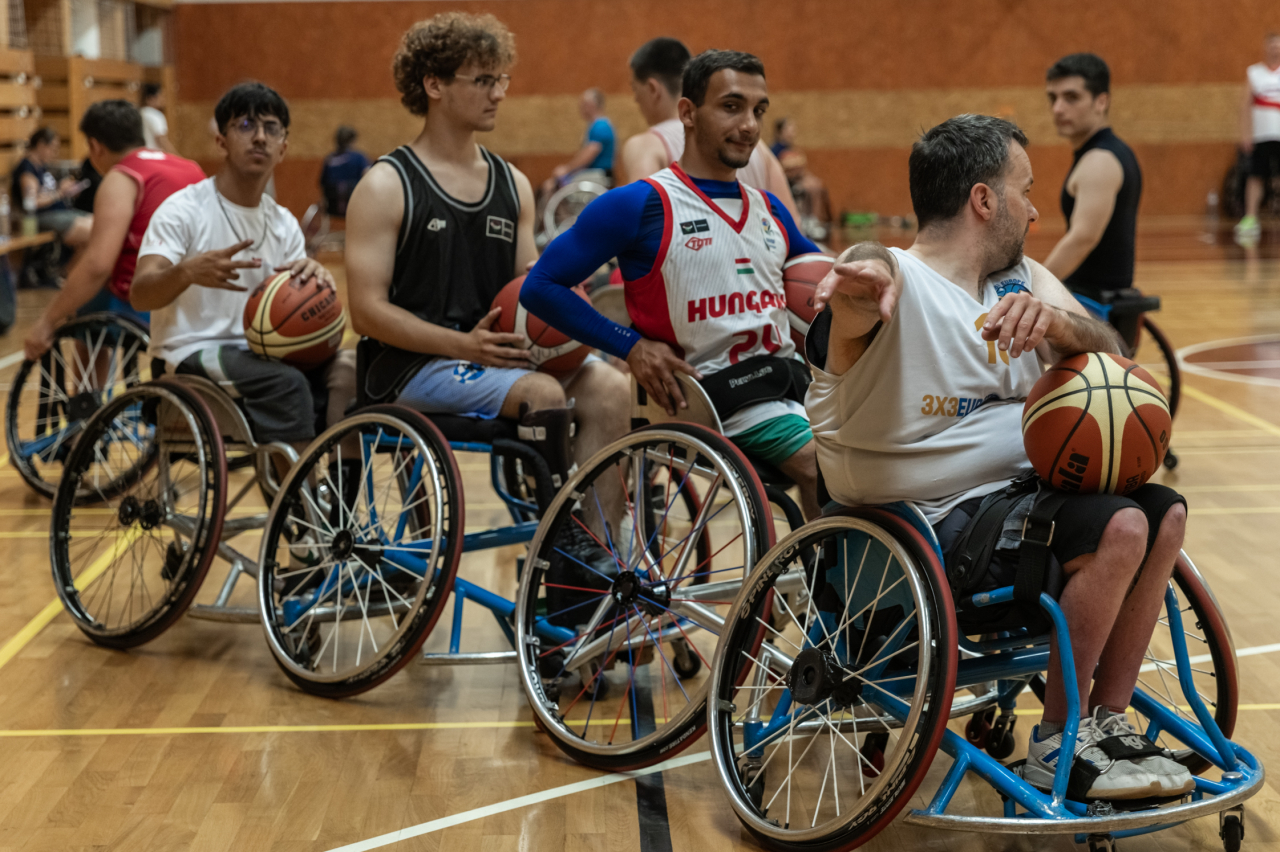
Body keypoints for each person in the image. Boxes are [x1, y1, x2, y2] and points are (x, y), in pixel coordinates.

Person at [806, 113, 1192, 800]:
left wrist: (1059, 325)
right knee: (1122, 525)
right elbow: (866, 278)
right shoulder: (897, 279)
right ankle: (1058, 744)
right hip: (926, 532)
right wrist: (859, 286)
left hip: (1020, 505)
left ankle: (1106, 723)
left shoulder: (1022, 279)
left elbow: (1112, 349)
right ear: (984, 200)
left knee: (1164, 514)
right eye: (1026, 190)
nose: (1036, 210)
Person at [522, 49, 825, 520]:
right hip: (713, 400)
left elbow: (823, 283)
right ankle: (838, 569)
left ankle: (826, 558)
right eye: (731, 106)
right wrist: (630, 346)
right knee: (830, 466)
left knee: (888, 450)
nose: (749, 125)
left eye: (758, 110)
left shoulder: (771, 209)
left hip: (789, 388)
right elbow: (540, 286)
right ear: (687, 112)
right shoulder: (640, 204)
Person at [343, 12, 628, 495]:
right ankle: (560, 530)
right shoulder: (385, 186)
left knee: (611, 387)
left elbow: (525, 292)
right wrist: (463, 346)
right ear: (434, 84)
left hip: (496, 359)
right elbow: (367, 312)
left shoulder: (512, 184)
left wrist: (561, 294)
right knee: (542, 391)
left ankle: (599, 536)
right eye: (482, 81)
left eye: (501, 80)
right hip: (410, 367)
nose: (498, 94)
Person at [132, 82, 355, 450]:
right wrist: (187, 272)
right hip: (189, 352)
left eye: (271, 128)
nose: (260, 137)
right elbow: (141, 294)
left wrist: (315, 281)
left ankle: (342, 485)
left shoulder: (284, 223)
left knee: (349, 369)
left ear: (283, 147)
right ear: (221, 140)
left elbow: (295, 302)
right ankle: (298, 488)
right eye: (246, 126)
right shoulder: (182, 210)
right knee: (286, 383)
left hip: (264, 352)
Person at [23, 100, 205, 361]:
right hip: (196, 295)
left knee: (84, 308)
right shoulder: (190, 167)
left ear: (95, 146)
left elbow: (98, 265)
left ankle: (91, 388)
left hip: (145, 300)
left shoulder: (122, 177)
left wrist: (47, 320)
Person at [619, 36, 798, 218]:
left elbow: (638, 221)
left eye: (635, 90)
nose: (636, 99)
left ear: (653, 88)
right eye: (730, 107)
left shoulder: (646, 146)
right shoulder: (759, 148)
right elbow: (791, 223)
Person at [1042, 53, 1142, 316]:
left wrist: (1033, 289)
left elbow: (1082, 238)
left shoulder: (1100, 160)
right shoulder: (1106, 152)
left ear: (1101, 101)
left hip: (1093, 307)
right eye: (1053, 98)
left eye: (1071, 97)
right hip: (1085, 298)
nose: (1058, 108)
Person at [12, 127, 93, 253]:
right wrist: (59, 193)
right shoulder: (27, 170)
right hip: (41, 217)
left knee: (98, 223)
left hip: (58, 212)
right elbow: (32, 202)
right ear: (41, 145)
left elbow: (47, 191)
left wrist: (65, 188)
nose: (55, 153)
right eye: (53, 148)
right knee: (93, 230)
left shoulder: (41, 166)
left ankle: (70, 266)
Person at [1235, 32, 1280, 244]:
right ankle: (1251, 218)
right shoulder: (1254, 73)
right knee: (1255, 176)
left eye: (1278, 45)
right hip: (1261, 135)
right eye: (1272, 45)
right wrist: (1245, 134)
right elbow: (1245, 105)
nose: (1275, 48)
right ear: (1266, 47)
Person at [319, 125, 369, 216]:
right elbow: (368, 177)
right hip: (355, 206)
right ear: (352, 141)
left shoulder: (329, 159)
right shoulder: (359, 158)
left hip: (332, 208)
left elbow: (323, 183)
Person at [141, 83, 178, 155]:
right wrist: (177, 157)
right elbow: (161, 140)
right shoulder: (156, 115)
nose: (163, 99)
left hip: (141, 155)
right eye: (161, 96)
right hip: (155, 155)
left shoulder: (139, 113)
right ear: (151, 99)